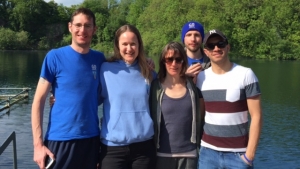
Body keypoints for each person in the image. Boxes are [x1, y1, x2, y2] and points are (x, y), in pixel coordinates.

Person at [31, 8, 105, 169]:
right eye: (78, 25)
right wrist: (38, 145)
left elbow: (98, 95)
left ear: (94, 29)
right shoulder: (54, 57)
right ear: (70, 27)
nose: (82, 30)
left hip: (91, 140)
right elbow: (38, 101)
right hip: (60, 140)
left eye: (87, 26)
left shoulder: (100, 59)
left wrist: (146, 60)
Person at [196, 29, 262, 169]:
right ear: (206, 51)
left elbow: (256, 116)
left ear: (228, 46)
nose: (216, 48)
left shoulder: (246, 74)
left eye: (220, 44)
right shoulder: (201, 78)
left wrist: (249, 156)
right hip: (208, 154)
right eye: (211, 46)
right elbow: (202, 115)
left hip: (238, 156)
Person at [98, 24, 156, 169]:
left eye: (133, 44)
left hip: (144, 148)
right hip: (112, 148)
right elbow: (88, 98)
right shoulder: (105, 69)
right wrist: (58, 98)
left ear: (139, 45)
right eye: (124, 44)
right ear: (118, 45)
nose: (129, 49)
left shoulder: (149, 72)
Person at [149, 42, 204, 169]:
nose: (174, 64)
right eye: (169, 59)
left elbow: (202, 118)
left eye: (178, 59)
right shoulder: (155, 87)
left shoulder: (193, 86)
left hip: (190, 155)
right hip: (162, 155)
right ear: (163, 61)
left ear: (183, 61)